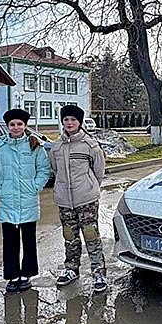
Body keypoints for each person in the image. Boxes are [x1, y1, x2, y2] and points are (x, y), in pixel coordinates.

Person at [0, 109, 50, 292]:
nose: (16, 127)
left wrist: (35, 186)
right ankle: (12, 275)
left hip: (28, 199)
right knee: (9, 241)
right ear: (8, 126)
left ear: (25, 125)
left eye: (19, 124)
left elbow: (43, 169)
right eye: (12, 124)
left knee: (29, 240)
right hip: (7, 199)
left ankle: (27, 274)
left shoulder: (34, 145)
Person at [51, 104, 108, 293]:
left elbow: (98, 171)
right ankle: (71, 269)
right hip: (65, 200)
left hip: (86, 199)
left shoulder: (90, 145)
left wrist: (90, 187)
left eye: (73, 119)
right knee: (70, 236)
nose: (69, 123)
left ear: (80, 122)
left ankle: (98, 273)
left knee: (91, 235)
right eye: (66, 119)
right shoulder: (57, 146)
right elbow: (55, 169)